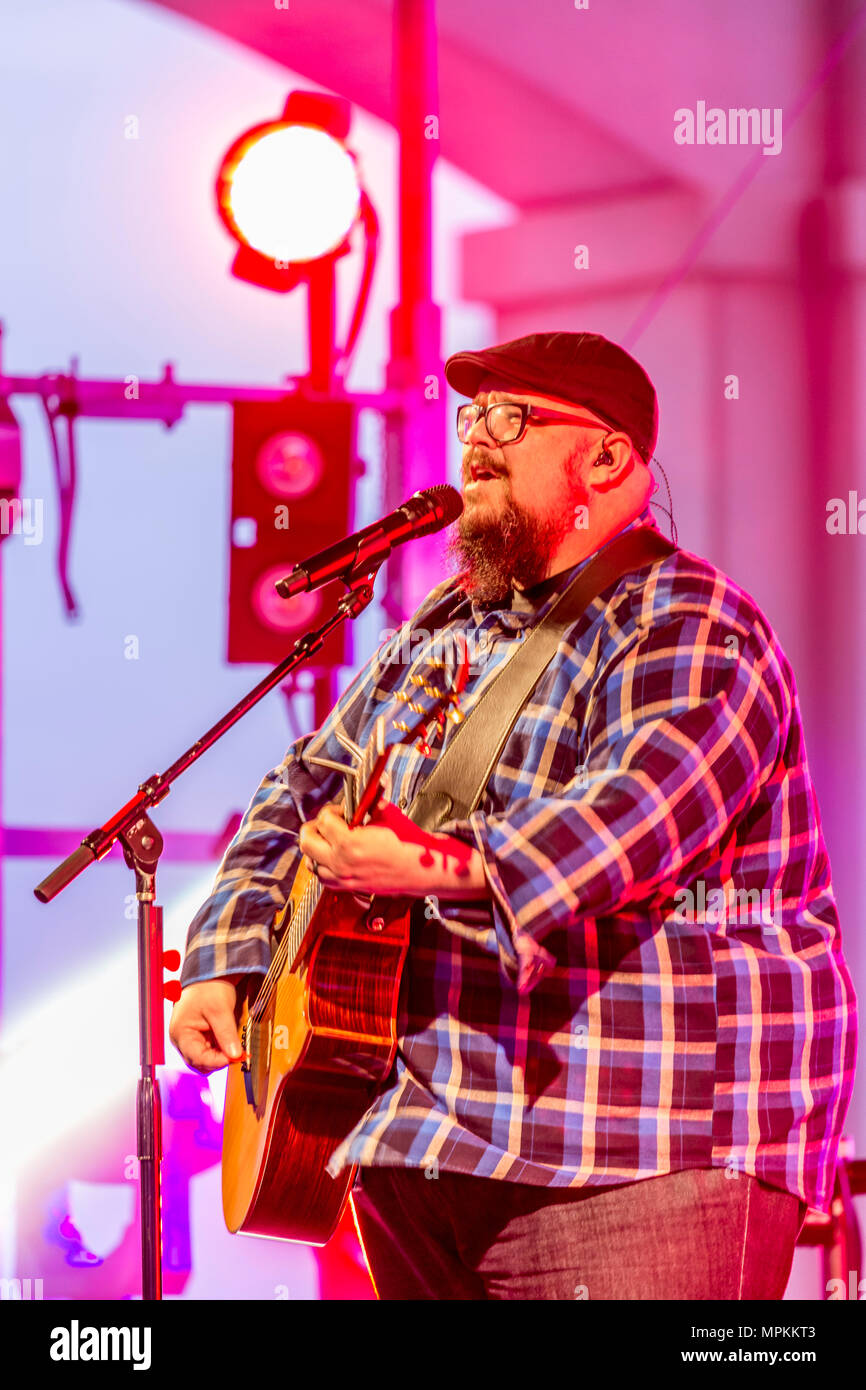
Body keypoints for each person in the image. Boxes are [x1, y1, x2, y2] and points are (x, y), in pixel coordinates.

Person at [170, 331, 858, 1300]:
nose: (474, 444)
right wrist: (229, 958)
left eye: (509, 418)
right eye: (467, 420)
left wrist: (439, 866)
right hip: (423, 1141)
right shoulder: (440, 632)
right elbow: (300, 789)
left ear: (608, 457)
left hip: (635, 1152)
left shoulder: (686, 621)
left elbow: (634, 817)